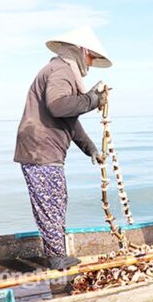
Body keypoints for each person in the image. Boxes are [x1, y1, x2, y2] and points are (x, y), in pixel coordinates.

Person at [14, 26, 112, 269]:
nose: (91, 62)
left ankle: (57, 254)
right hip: (40, 149)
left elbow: (69, 120)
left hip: (44, 150)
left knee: (56, 200)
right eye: (91, 57)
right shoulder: (60, 70)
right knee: (51, 203)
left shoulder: (62, 71)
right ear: (81, 51)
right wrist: (92, 99)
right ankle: (57, 258)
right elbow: (58, 106)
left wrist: (90, 149)